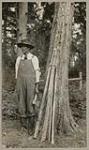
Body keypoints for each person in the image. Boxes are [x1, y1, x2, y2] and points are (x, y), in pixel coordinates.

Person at [15, 39, 41, 134]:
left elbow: (37, 72)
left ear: (29, 48)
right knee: (21, 102)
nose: (23, 48)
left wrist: (37, 85)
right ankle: (23, 126)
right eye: (21, 46)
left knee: (30, 102)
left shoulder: (34, 58)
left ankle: (31, 126)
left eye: (25, 46)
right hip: (20, 82)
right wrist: (17, 84)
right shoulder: (19, 59)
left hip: (31, 83)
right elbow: (17, 73)